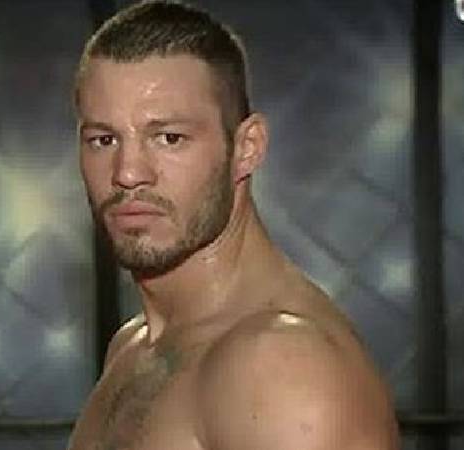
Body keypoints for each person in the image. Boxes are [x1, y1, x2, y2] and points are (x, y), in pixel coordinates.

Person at [69, 1, 400, 449]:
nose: (128, 172)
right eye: (103, 139)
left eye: (169, 138)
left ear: (247, 148)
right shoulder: (132, 345)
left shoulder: (282, 367)